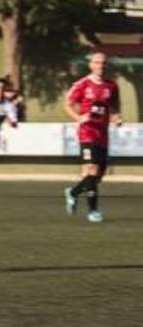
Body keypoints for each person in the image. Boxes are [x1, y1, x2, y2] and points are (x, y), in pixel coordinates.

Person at [63, 51, 122, 223]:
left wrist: (117, 117)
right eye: (97, 62)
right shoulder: (83, 84)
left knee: (99, 174)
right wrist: (79, 118)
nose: (100, 66)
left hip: (102, 134)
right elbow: (67, 103)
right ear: (91, 65)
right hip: (87, 133)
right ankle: (93, 211)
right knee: (92, 170)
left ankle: (73, 192)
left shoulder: (111, 86)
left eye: (103, 63)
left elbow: (115, 105)